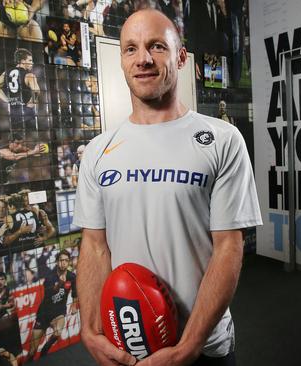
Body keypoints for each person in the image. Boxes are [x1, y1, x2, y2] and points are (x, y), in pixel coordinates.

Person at [73, 9, 261, 366]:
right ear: (122, 60)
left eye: (156, 46)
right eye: (131, 49)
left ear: (181, 56)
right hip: (130, 339)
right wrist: (90, 330)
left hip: (203, 346)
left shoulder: (221, 139)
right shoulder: (99, 151)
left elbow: (228, 248)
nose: (143, 59)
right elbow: (95, 247)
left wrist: (187, 347)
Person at [27, 250, 77, 361]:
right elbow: (50, 293)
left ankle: (45, 351)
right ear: (56, 262)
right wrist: (59, 283)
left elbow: (75, 292)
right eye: (61, 260)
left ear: (68, 262)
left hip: (58, 312)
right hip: (43, 314)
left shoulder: (72, 276)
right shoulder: (49, 277)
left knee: (58, 332)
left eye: (66, 260)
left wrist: (74, 305)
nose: (63, 263)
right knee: (31, 352)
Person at [0, 48, 40, 130]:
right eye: (30, 60)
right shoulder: (29, 75)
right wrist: (31, 104)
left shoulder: (6, 73)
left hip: (13, 113)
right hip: (26, 112)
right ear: (23, 61)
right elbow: (36, 91)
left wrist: (6, 100)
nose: (32, 63)